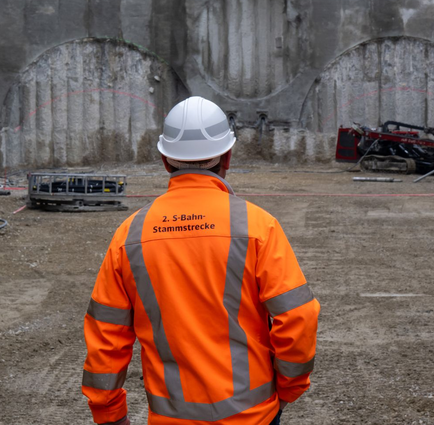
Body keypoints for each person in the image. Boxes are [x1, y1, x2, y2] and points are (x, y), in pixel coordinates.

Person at [82, 96, 320, 425]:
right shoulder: (257, 227)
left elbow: (106, 334)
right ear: (228, 156)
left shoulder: (130, 236)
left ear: (166, 160)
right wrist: (289, 388)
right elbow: (297, 316)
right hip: (253, 416)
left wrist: (109, 412)